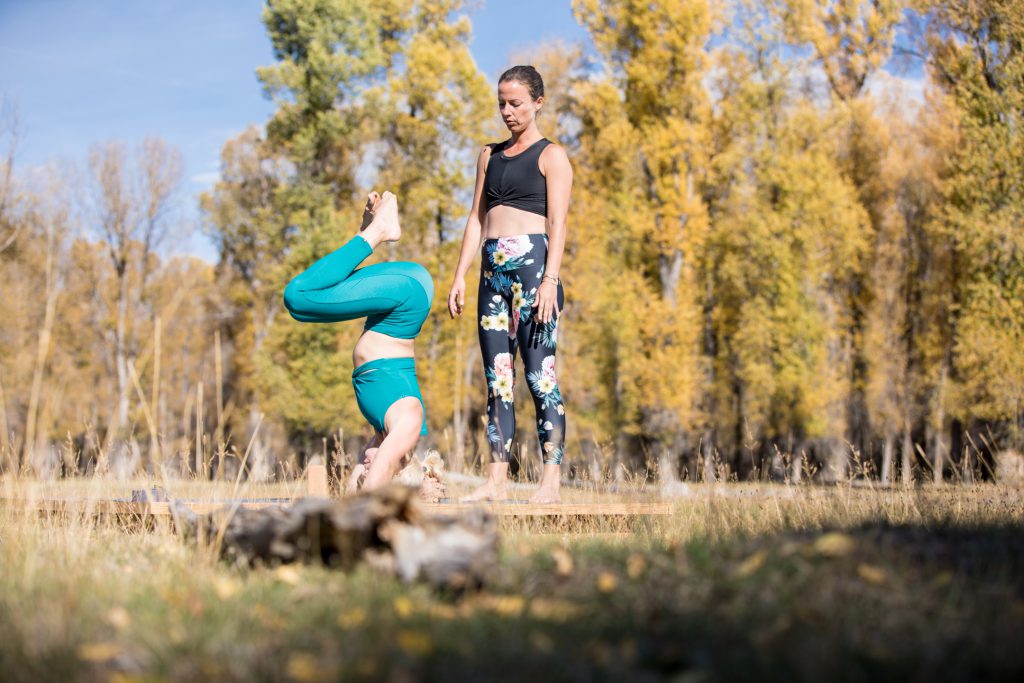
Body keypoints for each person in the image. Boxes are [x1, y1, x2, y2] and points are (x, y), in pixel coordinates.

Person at [448, 65, 573, 504]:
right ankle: (495, 481)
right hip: (491, 276)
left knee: (540, 377)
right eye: (501, 102)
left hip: (534, 273)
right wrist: (461, 274)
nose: (507, 111)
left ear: (537, 102)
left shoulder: (551, 156)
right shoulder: (489, 155)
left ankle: (550, 482)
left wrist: (550, 280)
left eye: (516, 103)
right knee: (497, 380)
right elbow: (476, 219)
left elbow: (558, 223)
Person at [283, 191, 433, 491]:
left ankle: (368, 230)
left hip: (398, 300)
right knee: (298, 297)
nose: (365, 464)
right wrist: (377, 486)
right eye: (377, 467)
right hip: (408, 296)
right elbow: (369, 495)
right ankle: (379, 231)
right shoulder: (407, 426)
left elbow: (353, 491)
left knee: (304, 307)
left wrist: (356, 481)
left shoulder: (383, 429)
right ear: (398, 471)